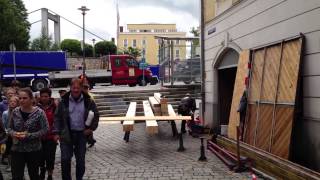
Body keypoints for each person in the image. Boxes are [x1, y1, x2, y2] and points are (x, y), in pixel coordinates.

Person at [53, 78, 99, 180]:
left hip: (81, 135)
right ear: (70, 88)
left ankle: (79, 178)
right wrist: (56, 132)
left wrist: (91, 129)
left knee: (80, 161)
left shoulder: (88, 101)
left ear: (82, 88)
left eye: (78, 88)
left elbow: (96, 115)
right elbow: (57, 117)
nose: (76, 90)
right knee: (65, 159)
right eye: (74, 88)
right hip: (66, 134)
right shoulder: (63, 101)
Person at [8, 88, 49, 180]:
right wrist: (14, 134)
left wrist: (30, 135)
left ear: (31, 99)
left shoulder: (39, 113)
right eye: (20, 98)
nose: (22, 100)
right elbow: (9, 128)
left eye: (25, 98)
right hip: (17, 149)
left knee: (34, 175)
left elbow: (45, 129)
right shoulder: (15, 111)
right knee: (16, 176)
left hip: (33, 149)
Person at [38, 88, 57, 180]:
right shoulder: (36, 107)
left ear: (49, 97)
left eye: (46, 96)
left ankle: (50, 175)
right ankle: (42, 170)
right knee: (40, 157)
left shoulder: (54, 107)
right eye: (42, 96)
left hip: (51, 137)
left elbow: (57, 121)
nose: (44, 98)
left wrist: (56, 134)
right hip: (39, 137)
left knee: (50, 157)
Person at [1, 96, 19, 172]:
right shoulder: (5, 113)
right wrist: (7, 132)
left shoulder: (19, 112)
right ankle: (9, 164)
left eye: (14, 101)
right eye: (11, 101)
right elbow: (4, 124)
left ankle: (17, 164)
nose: (12, 103)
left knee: (16, 150)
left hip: (17, 134)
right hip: (8, 134)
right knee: (8, 150)